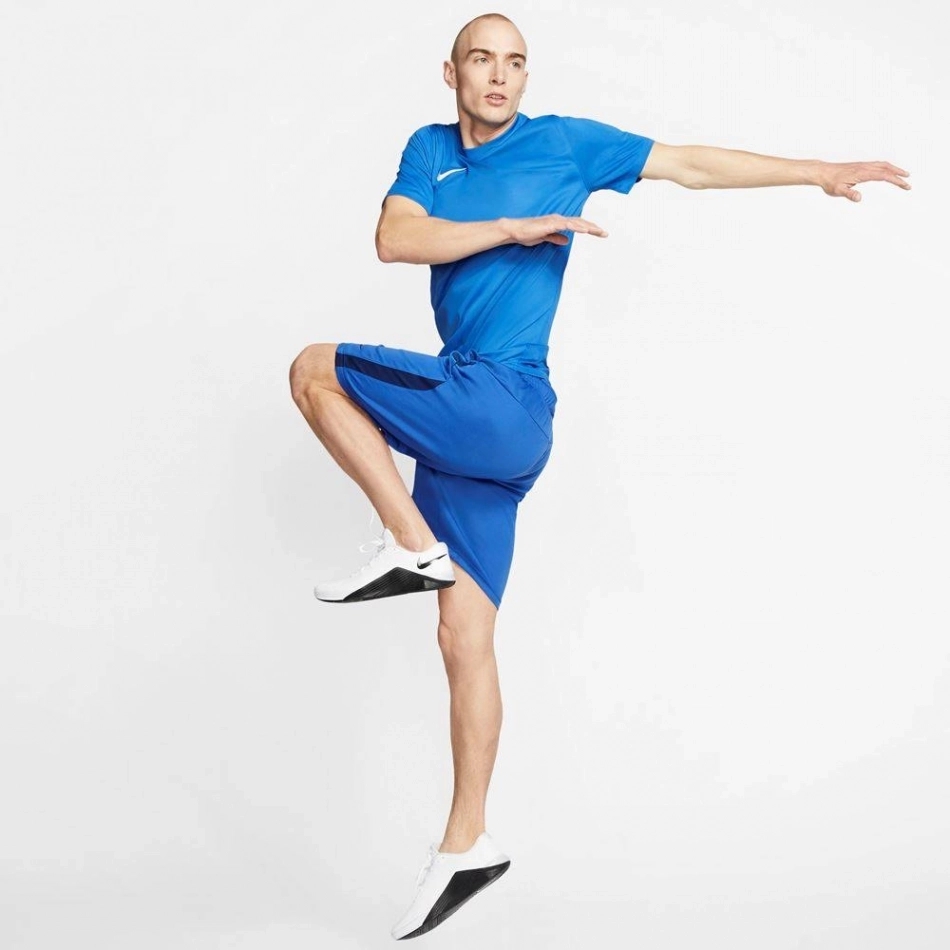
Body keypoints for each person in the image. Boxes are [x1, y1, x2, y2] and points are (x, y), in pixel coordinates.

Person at [289, 11, 910, 940]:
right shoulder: (428, 150)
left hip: (500, 399)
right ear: (452, 73)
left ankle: (409, 544)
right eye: (482, 61)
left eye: (516, 63)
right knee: (463, 636)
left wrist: (815, 170)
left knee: (313, 368)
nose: (500, 77)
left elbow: (690, 164)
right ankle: (468, 842)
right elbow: (396, 238)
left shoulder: (568, 143)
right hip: (478, 430)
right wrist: (510, 227)